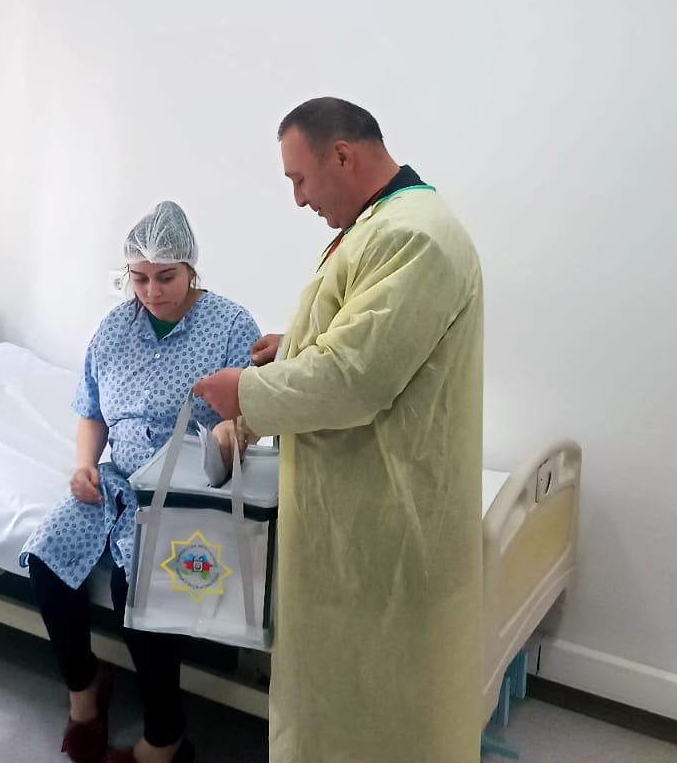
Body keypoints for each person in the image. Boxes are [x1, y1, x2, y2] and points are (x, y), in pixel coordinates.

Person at [194, 98, 485, 763]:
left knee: (371, 715)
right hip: (359, 509)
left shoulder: (413, 237)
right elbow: (363, 336)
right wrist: (293, 344)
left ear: (343, 156)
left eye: (299, 178)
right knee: (343, 703)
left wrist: (245, 394)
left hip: (382, 524)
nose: (299, 198)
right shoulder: (381, 226)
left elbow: (354, 377)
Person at [21, 201, 261, 763]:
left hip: (186, 484)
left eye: (166, 277)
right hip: (116, 479)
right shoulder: (115, 328)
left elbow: (251, 412)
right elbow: (91, 410)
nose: (151, 292)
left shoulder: (230, 325)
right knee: (47, 560)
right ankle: (85, 693)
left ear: (191, 268)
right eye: (140, 278)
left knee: (139, 588)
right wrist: (85, 465)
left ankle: (165, 736)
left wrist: (229, 436)